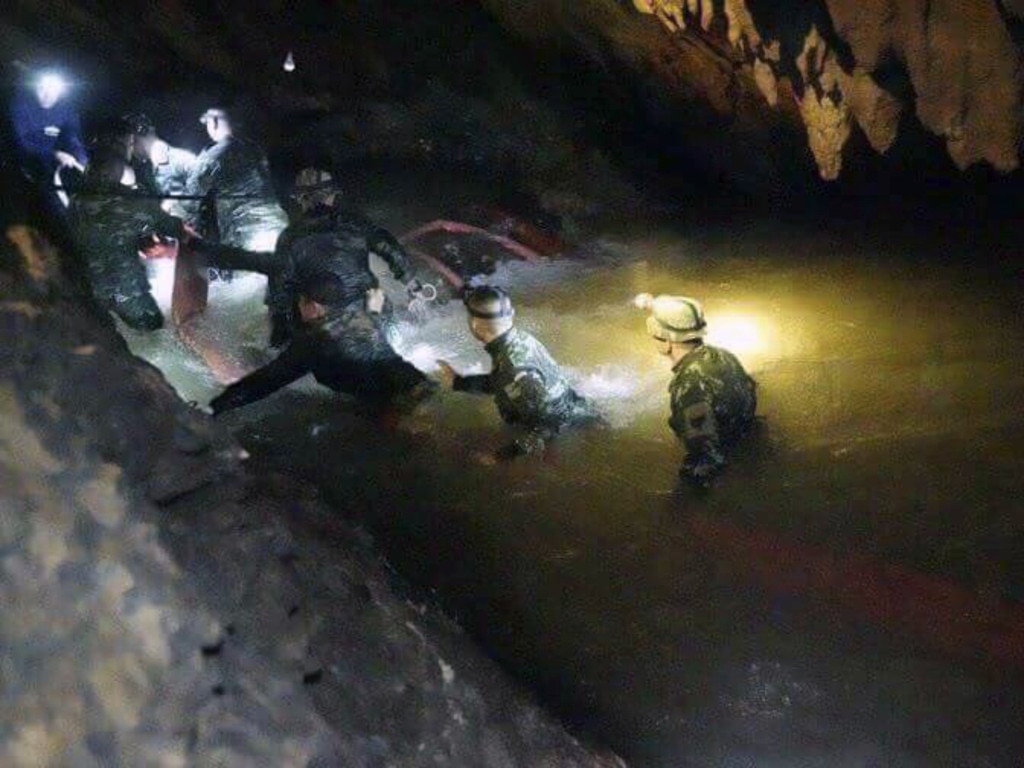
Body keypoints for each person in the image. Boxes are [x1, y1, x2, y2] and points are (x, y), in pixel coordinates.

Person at [189, 167, 419, 348]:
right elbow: (392, 250)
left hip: (325, 324)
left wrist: (277, 338)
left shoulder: (290, 237)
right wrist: (413, 285)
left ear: (302, 200)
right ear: (332, 197)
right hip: (370, 314)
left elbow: (279, 289)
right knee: (378, 299)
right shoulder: (358, 224)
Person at [207, 266, 435, 415]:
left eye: (300, 302)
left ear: (312, 306)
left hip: (389, 408)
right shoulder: (360, 314)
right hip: (421, 387)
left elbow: (264, 383)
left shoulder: (316, 342)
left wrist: (215, 406)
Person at [437, 286, 603, 459]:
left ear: (475, 324)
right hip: (576, 411)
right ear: (511, 314)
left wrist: (500, 457)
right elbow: (502, 382)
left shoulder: (513, 367)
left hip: (569, 433)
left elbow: (547, 427)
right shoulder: (520, 340)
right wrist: (459, 382)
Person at [637, 293, 757, 485]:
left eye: (654, 336)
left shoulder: (689, 386)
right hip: (748, 435)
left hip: (732, 456)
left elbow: (707, 454)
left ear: (667, 342)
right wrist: (651, 304)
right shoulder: (722, 355)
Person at [70, 151, 177, 330]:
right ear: (114, 172)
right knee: (153, 328)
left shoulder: (76, 201)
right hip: (126, 290)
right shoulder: (124, 201)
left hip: (89, 290)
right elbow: (165, 227)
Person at [181, 106, 288, 252]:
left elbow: (189, 201)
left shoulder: (214, 155)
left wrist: (169, 217)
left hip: (247, 235)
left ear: (215, 122)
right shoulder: (254, 148)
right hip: (280, 229)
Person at [8, 68, 88, 209]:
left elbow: (73, 138)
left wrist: (82, 160)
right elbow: (21, 143)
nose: (47, 95)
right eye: (42, 89)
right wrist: (55, 154)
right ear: (34, 88)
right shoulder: (20, 106)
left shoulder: (67, 109)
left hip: (50, 165)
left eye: (52, 90)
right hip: (22, 164)